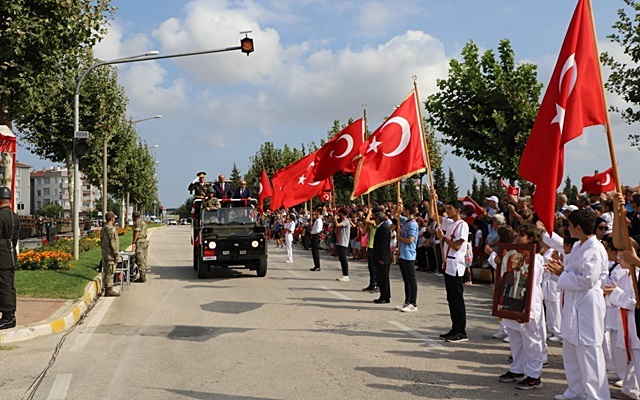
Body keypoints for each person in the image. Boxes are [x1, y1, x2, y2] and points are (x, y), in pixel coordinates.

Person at [546, 209, 610, 400]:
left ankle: (596, 396)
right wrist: (561, 270)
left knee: (589, 353)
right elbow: (572, 273)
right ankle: (576, 390)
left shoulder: (595, 250)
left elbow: (587, 281)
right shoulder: (578, 247)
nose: (568, 229)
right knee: (571, 350)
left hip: (588, 305)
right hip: (573, 303)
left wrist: (561, 274)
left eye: (570, 225)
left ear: (578, 228)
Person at [496, 224, 546, 391]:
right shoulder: (518, 256)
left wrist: (523, 308)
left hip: (528, 302)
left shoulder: (536, 258)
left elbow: (529, 284)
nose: (517, 238)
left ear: (531, 239)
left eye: (521, 236)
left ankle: (534, 375)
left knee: (531, 339)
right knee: (515, 337)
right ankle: (517, 369)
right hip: (514, 300)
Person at [431, 189, 469, 343]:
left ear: (458, 210)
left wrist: (443, 238)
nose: (447, 211)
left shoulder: (462, 225)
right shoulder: (450, 223)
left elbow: (457, 246)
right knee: (451, 299)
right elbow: (434, 216)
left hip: (456, 265)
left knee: (457, 299)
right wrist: (432, 199)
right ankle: (454, 328)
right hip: (448, 265)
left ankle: (461, 331)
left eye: (450, 208)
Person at [0, 187, 20, 330]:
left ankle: (8, 317)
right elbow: (15, 239)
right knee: (9, 285)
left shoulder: (0, 216)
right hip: (10, 254)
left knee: (4, 286)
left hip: (1, 256)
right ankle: (10, 312)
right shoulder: (14, 216)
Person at [394, 200, 419, 313]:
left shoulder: (413, 224)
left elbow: (410, 240)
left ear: (408, 211)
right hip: (403, 254)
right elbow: (394, 215)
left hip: (409, 255)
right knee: (406, 280)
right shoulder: (405, 221)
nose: (402, 212)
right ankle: (407, 301)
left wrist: (399, 237)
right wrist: (397, 205)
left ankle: (413, 303)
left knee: (411, 280)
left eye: (404, 210)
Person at [373, 211, 392, 304]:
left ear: (378, 219)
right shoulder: (381, 227)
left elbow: (384, 245)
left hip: (383, 258)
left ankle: (385, 296)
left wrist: (382, 258)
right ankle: (384, 295)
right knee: (381, 278)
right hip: (380, 256)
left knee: (383, 278)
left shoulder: (384, 228)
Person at [101, 212, 120, 297]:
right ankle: (109, 290)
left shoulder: (104, 228)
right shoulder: (112, 229)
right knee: (110, 272)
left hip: (105, 253)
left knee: (106, 271)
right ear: (112, 219)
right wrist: (116, 254)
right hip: (110, 255)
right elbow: (113, 243)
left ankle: (106, 288)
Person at [334, 208, 352, 282]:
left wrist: (335, 219)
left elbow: (338, 225)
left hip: (343, 242)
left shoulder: (346, 221)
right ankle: (344, 274)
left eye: (339, 213)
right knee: (341, 259)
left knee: (343, 259)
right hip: (339, 241)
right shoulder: (342, 221)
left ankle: (346, 275)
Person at [131, 211, 149, 283]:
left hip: (140, 242)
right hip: (145, 241)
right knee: (144, 258)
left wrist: (134, 242)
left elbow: (137, 232)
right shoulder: (143, 222)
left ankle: (142, 277)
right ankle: (143, 275)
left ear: (134, 217)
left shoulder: (137, 223)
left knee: (139, 259)